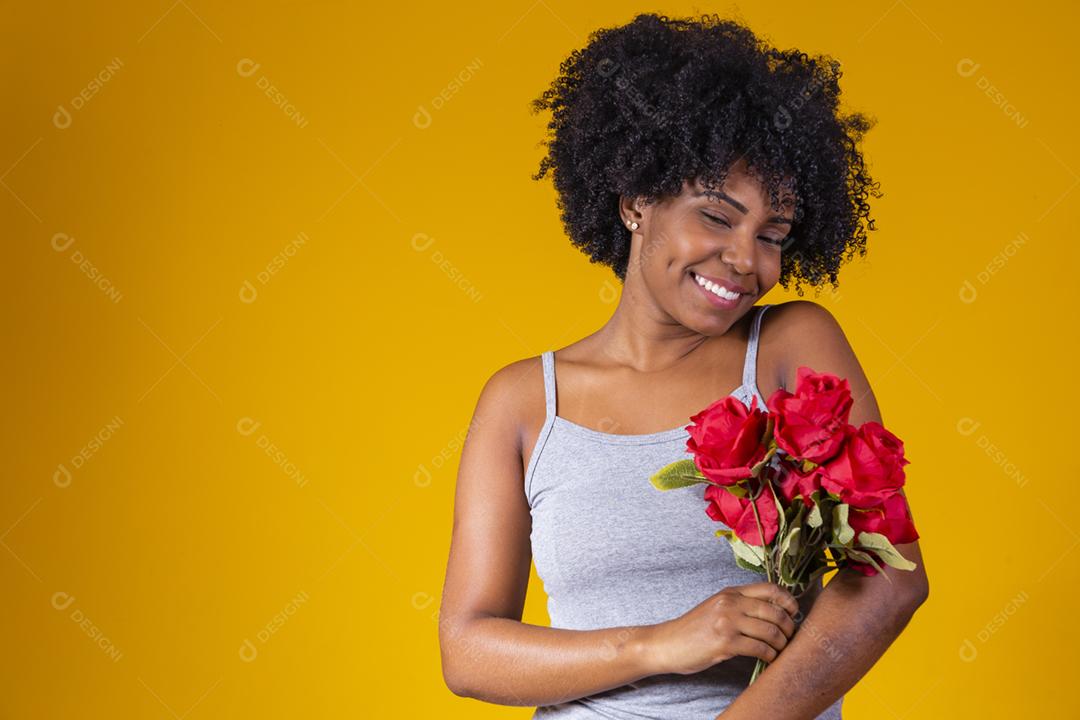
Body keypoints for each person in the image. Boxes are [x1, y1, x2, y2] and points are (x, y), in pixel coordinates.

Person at [439, 12, 929, 720]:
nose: (746, 260)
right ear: (638, 201)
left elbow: (889, 580)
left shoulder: (792, 348)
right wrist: (662, 644)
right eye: (718, 216)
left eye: (773, 234)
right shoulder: (522, 402)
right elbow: (469, 650)